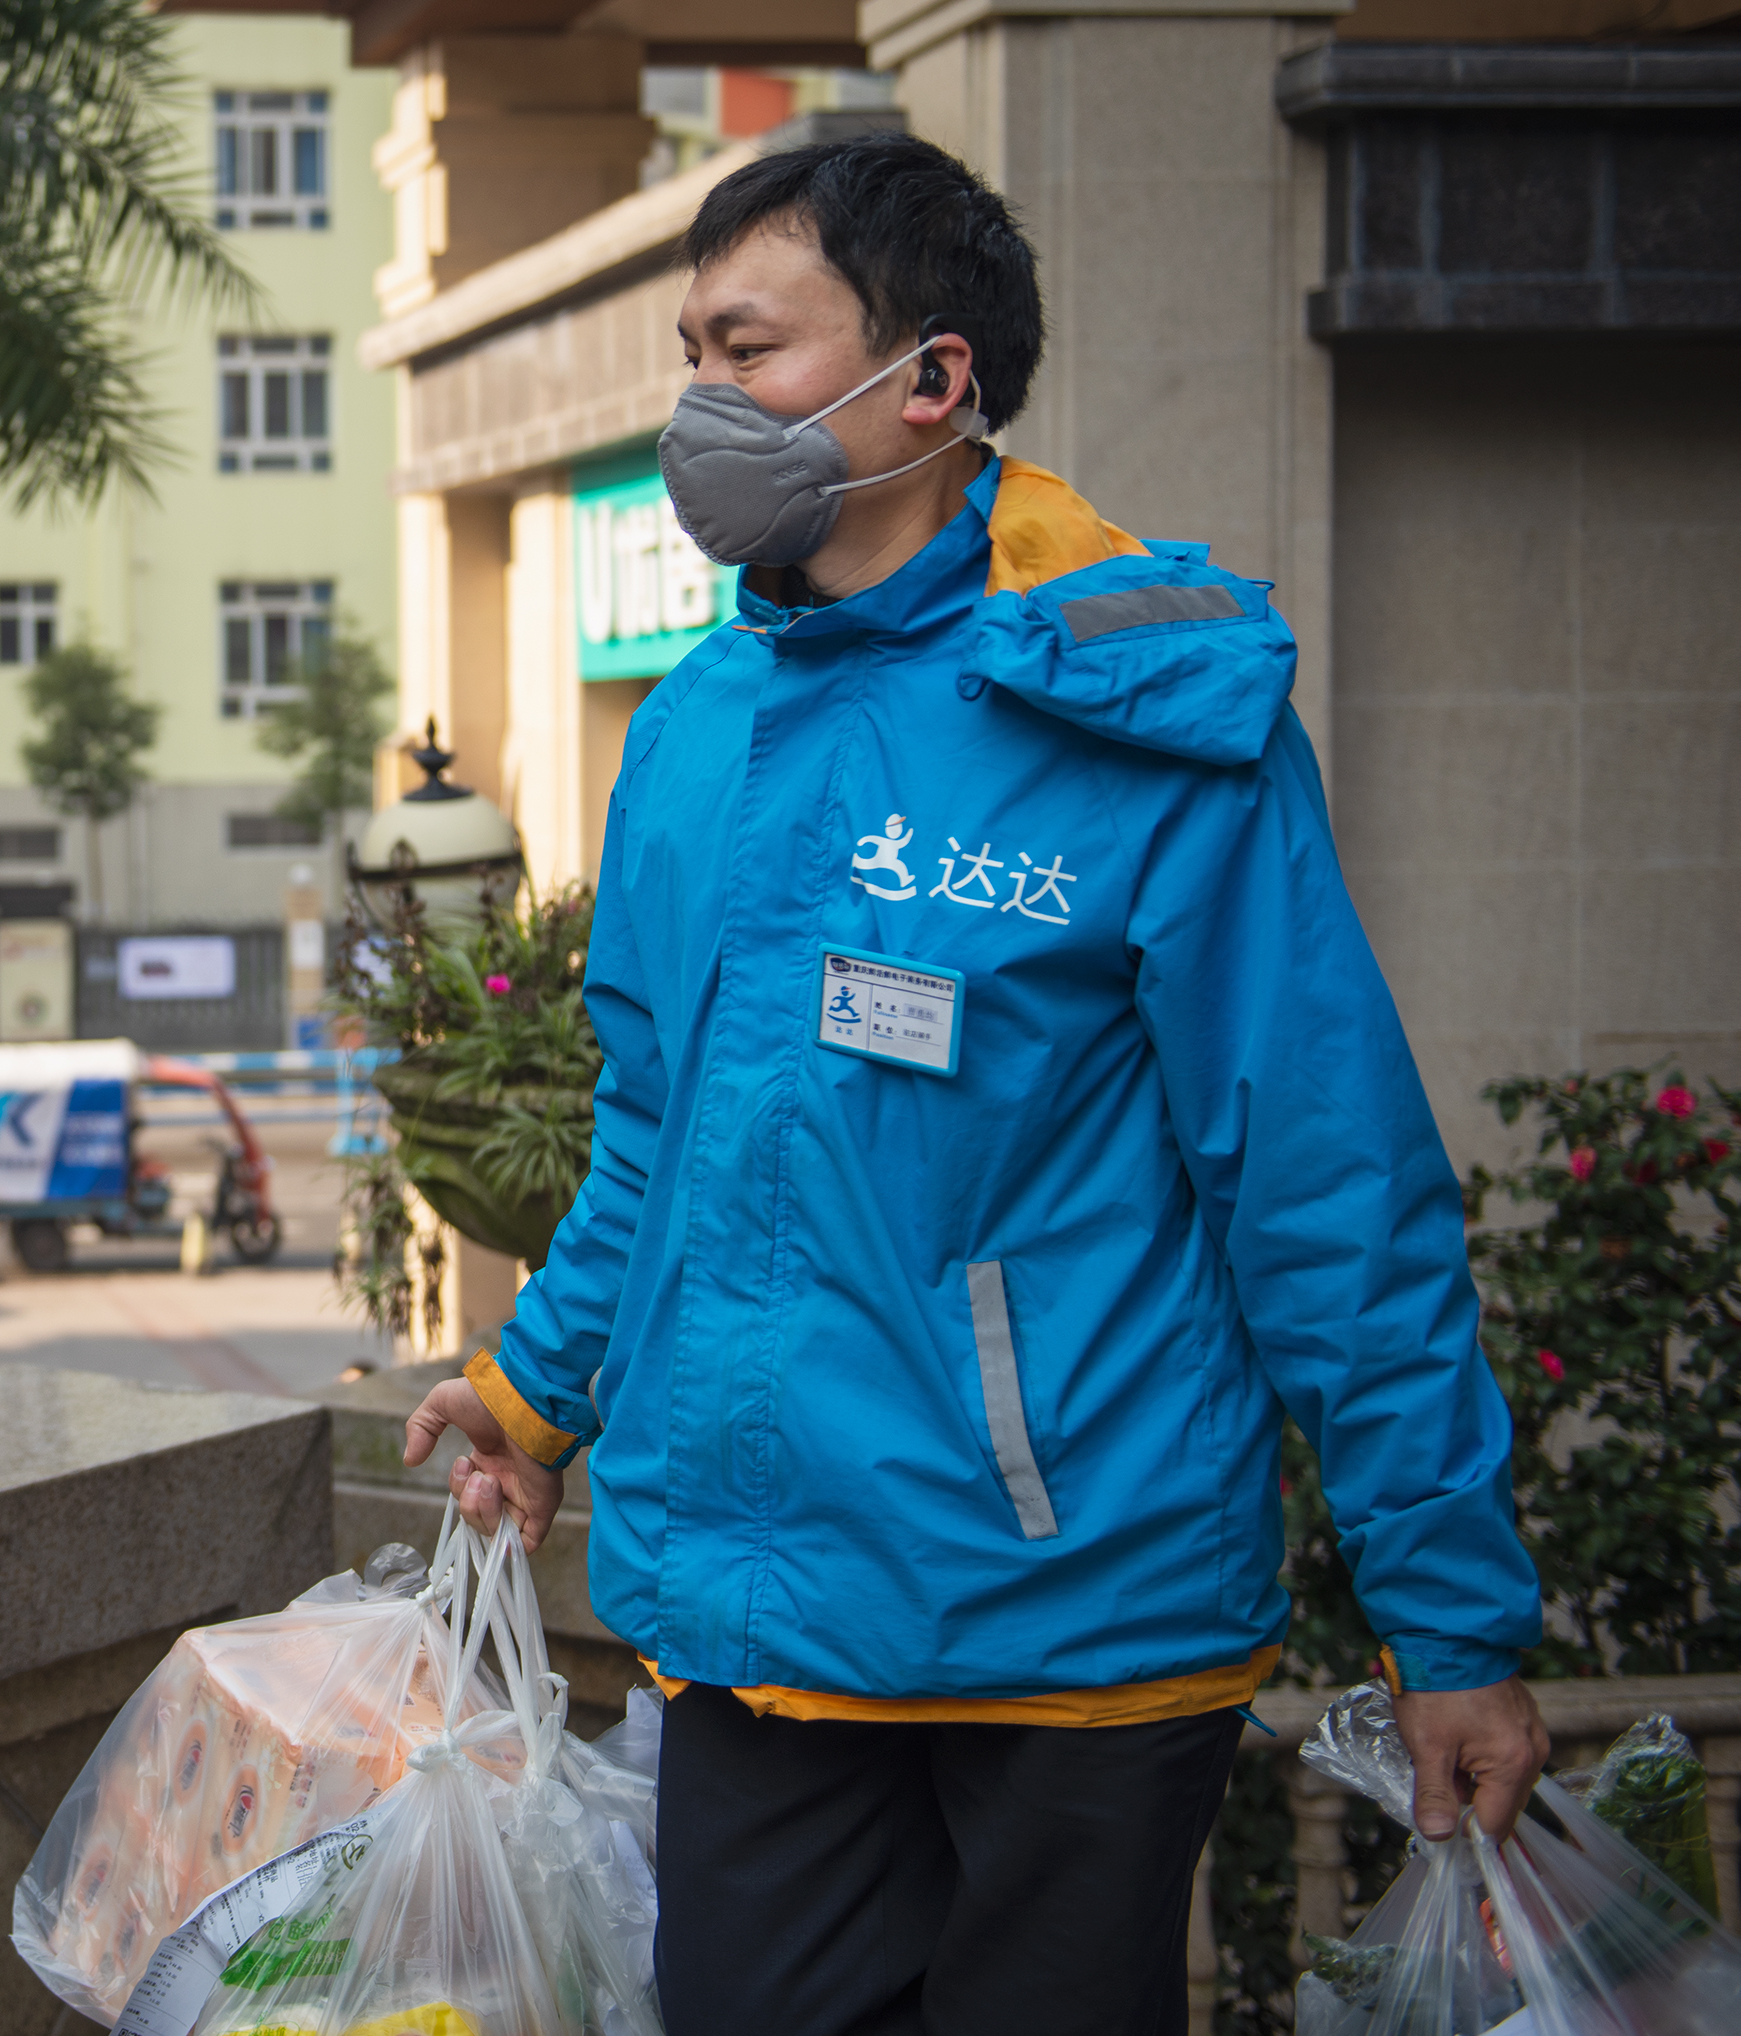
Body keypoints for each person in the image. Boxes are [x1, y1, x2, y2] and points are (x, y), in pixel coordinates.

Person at [400, 134, 1548, 2034]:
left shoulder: (1144, 715)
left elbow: (1329, 1189)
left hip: (1071, 1632)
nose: (705, 399)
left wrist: (1454, 1620)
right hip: (760, 1627)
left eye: (751, 349)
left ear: (931, 379)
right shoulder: (697, 727)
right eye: (691, 349)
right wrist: (536, 1394)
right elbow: (661, 1137)